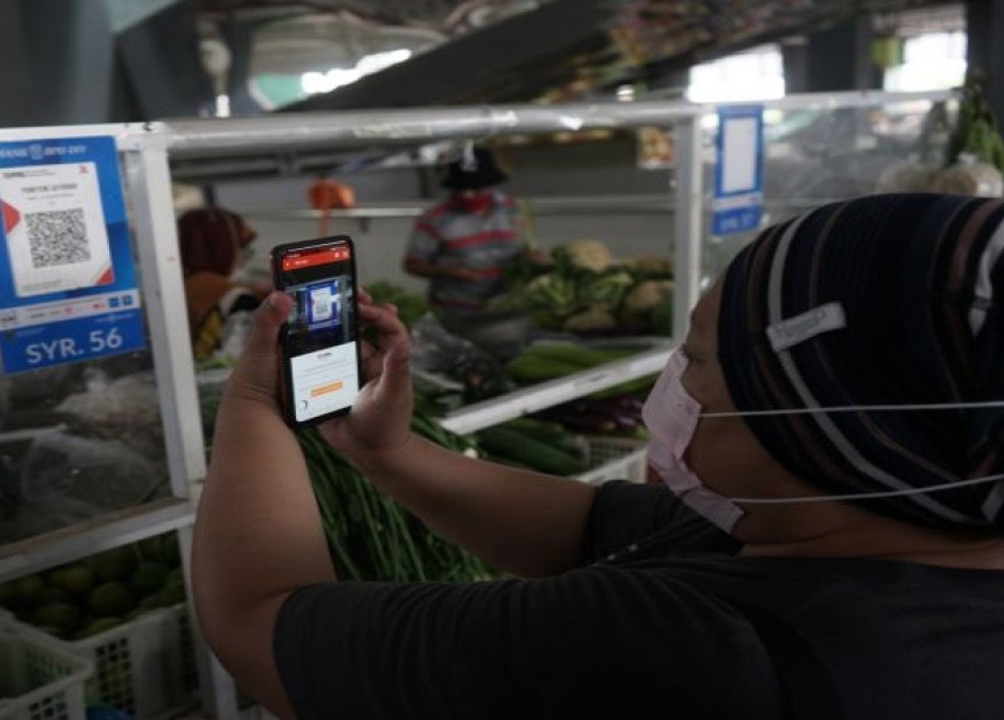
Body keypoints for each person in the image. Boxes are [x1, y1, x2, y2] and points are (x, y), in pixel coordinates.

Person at [192, 193, 1004, 719]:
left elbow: (256, 618)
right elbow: (592, 525)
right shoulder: (898, 528)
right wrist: (388, 453)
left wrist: (257, 402)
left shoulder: (687, 649)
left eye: (699, 360)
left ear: (817, 425)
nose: (673, 382)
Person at [403, 145, 530, 357]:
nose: (469, 195)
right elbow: (412, 263)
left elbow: (522, 248)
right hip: (457, 316)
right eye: (463, 190)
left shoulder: (512, 210)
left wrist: (531, 260)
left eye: (476, 189)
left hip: (506, 311)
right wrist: (450, 272)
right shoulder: (435, 219)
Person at [177, 206, 265, 359]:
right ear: (223, 247)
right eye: (242, 248)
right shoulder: (237, 297)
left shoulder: (174, 288)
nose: (244, 258)